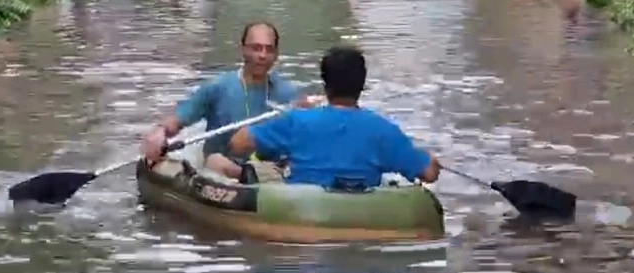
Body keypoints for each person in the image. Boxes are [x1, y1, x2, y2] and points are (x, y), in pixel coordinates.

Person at [227, 45, 441, 187]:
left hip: (303, 209)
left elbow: (238, 143)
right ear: (362, 84)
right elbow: (429, 174)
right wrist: (429, 160)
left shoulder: (297, 121)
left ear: (325, 84)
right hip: (360, 211)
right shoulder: (384, 130)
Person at [141, 21, 312, 181]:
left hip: (269, 170)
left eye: (269, 49)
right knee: (215, 162)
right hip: (225, 169)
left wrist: (309, 113)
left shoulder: (288, 92)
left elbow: (307, 131)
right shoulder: (218, 87)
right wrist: (160, 131)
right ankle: (247, 178)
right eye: (256, 48)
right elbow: (179, 118)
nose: (262, 55)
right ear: (243, 49)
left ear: (276, 54)